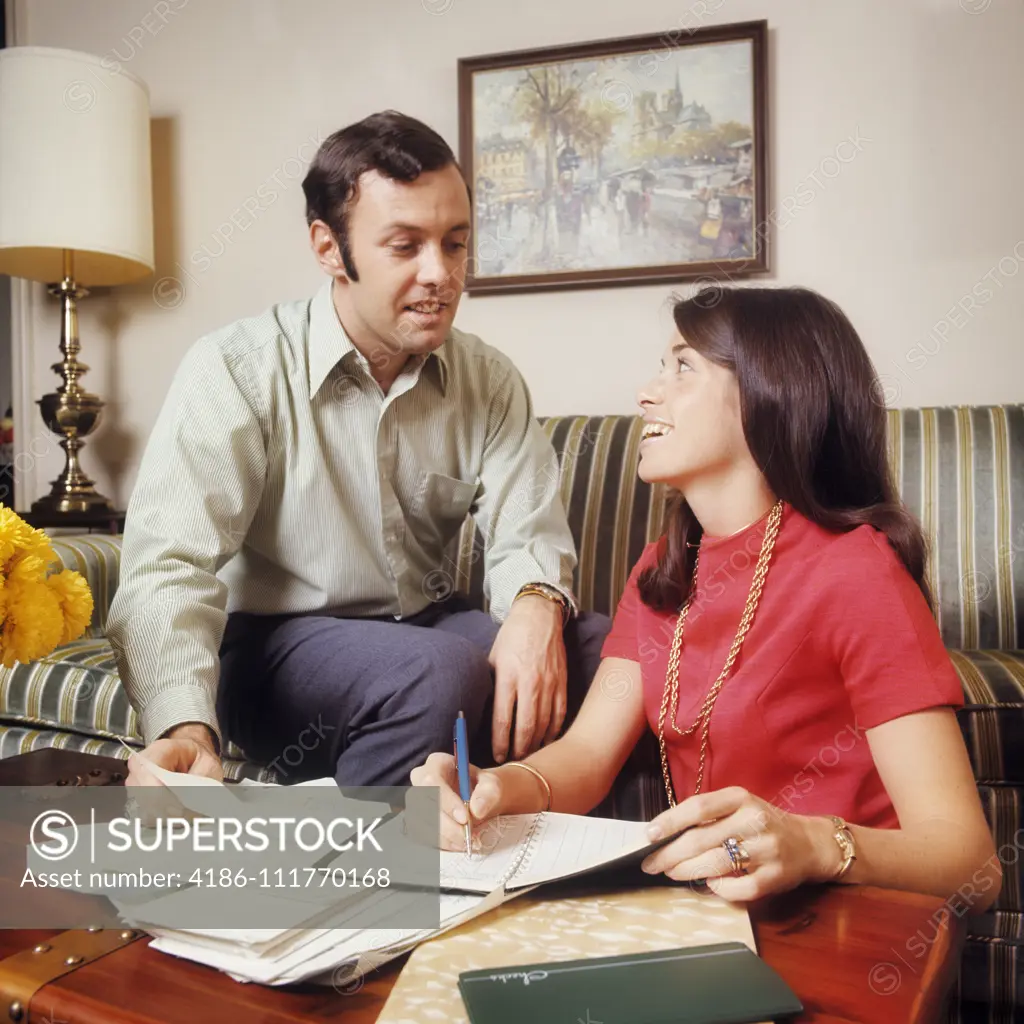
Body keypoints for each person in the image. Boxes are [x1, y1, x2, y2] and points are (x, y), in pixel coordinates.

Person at [412, 285, 1001, 908]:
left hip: (850, 919)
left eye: (683, 366)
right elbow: (587, 755)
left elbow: (971, 863)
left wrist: (814, 845)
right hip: (719, 912)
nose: (646, 392)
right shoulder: (662, 569)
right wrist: (493, 787)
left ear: (771, 393)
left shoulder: (857, 573)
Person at [108, 111, 610, 789]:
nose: (441, 274)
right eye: (405, 246)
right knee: (435, 673)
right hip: (273, 645)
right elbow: (166, 566)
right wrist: (184, 726)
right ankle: (347, 886)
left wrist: (536, 602)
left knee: (612, 654)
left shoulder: (488, 379)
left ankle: (590, 875)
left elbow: (527, 530)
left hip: (427, 625)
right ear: (328, 248)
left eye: (455, 244)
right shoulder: (236, 368)